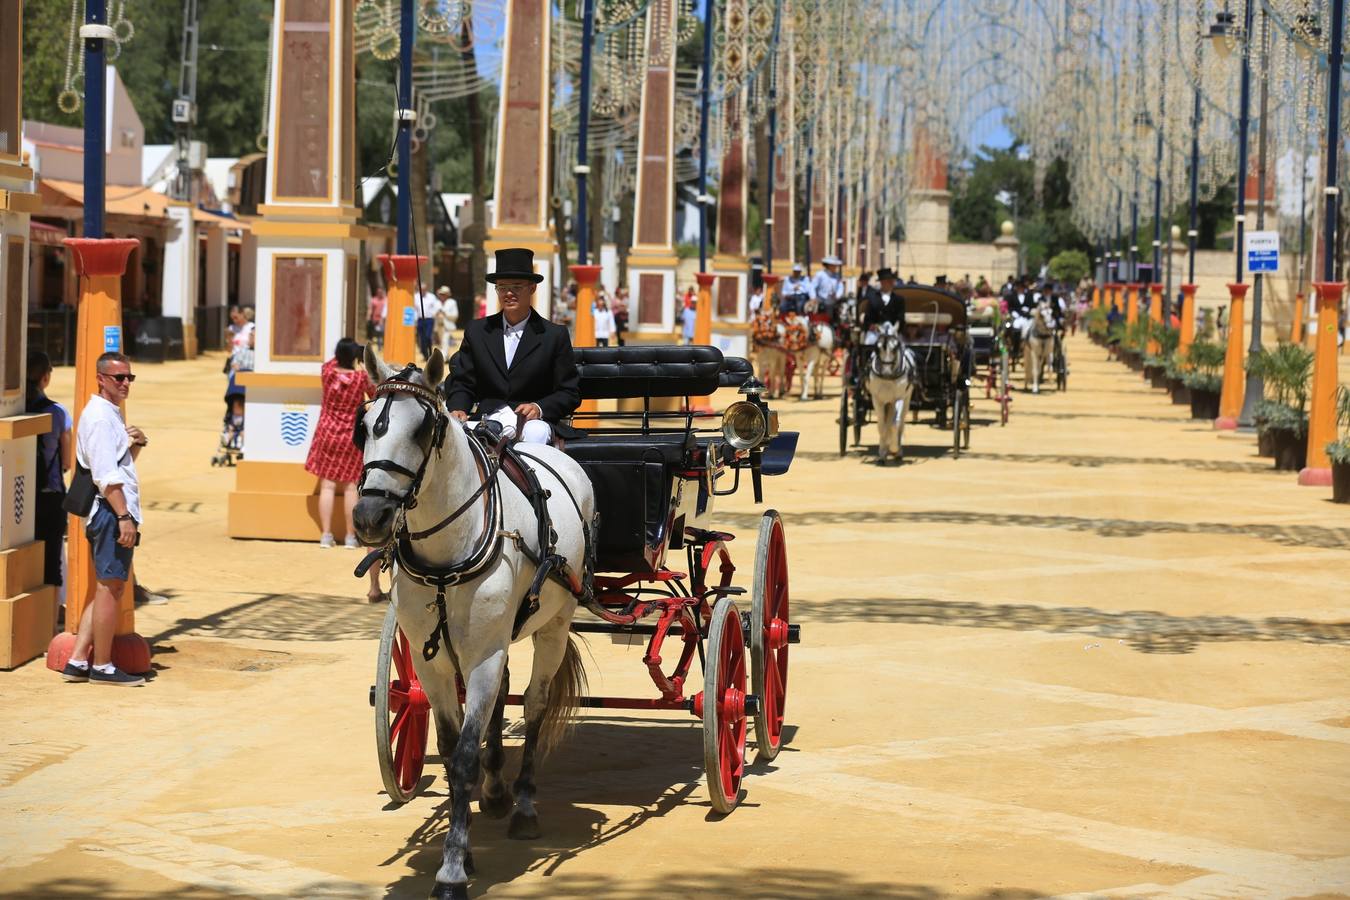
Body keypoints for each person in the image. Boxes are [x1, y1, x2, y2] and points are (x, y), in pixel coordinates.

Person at [59, 353, 148, 686]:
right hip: (110, 513)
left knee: (105, 587)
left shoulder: (109, 415)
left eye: (129, 378)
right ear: (100, 378)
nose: (125, 383)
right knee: (112, 587)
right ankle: (104, 666)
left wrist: (135, 444)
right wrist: (124, 516)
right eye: (118, 378)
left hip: (112, 511)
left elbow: (117, 465)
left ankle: (79, 660)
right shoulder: (98, 417)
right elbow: (106, 477)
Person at [446, 247, 581, 445]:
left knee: (536, 434)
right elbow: (463, 383)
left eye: (517, 287)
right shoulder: (477, 331)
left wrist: (538, 407)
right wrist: (459, 408)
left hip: (532, 423)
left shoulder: (554, 335)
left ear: (532, 288)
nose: (508, 293)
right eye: (502, 287)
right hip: (487, 420)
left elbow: (569, 392)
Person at [26, 350, 72, 602]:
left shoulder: (16, 409)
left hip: (18, 496)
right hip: (50, 495)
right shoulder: (58, 413)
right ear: (45, 378)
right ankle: (49, 628)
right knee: (51, 565)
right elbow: (66, 461)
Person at [811, 255, 845, 320]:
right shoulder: (820, 274)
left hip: (834, 299)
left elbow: (840, 287)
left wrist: (837, 296)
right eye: (834, 265)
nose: (836, 267)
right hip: (821, 299)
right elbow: (812, 286)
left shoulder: (837, 275)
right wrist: (813, 297)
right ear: (828, 265)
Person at [416, 286, 441, 360]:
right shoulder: (416, 297)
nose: (422, 291)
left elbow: (436, 306)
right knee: (422, 338)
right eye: (421, 289)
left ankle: (430, 352)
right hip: (420, 320)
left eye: (424, 289)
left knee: (427, 337)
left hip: (429, 320)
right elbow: (414, 308)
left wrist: (433, 314)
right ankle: (425, 354)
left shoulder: (431, 297)